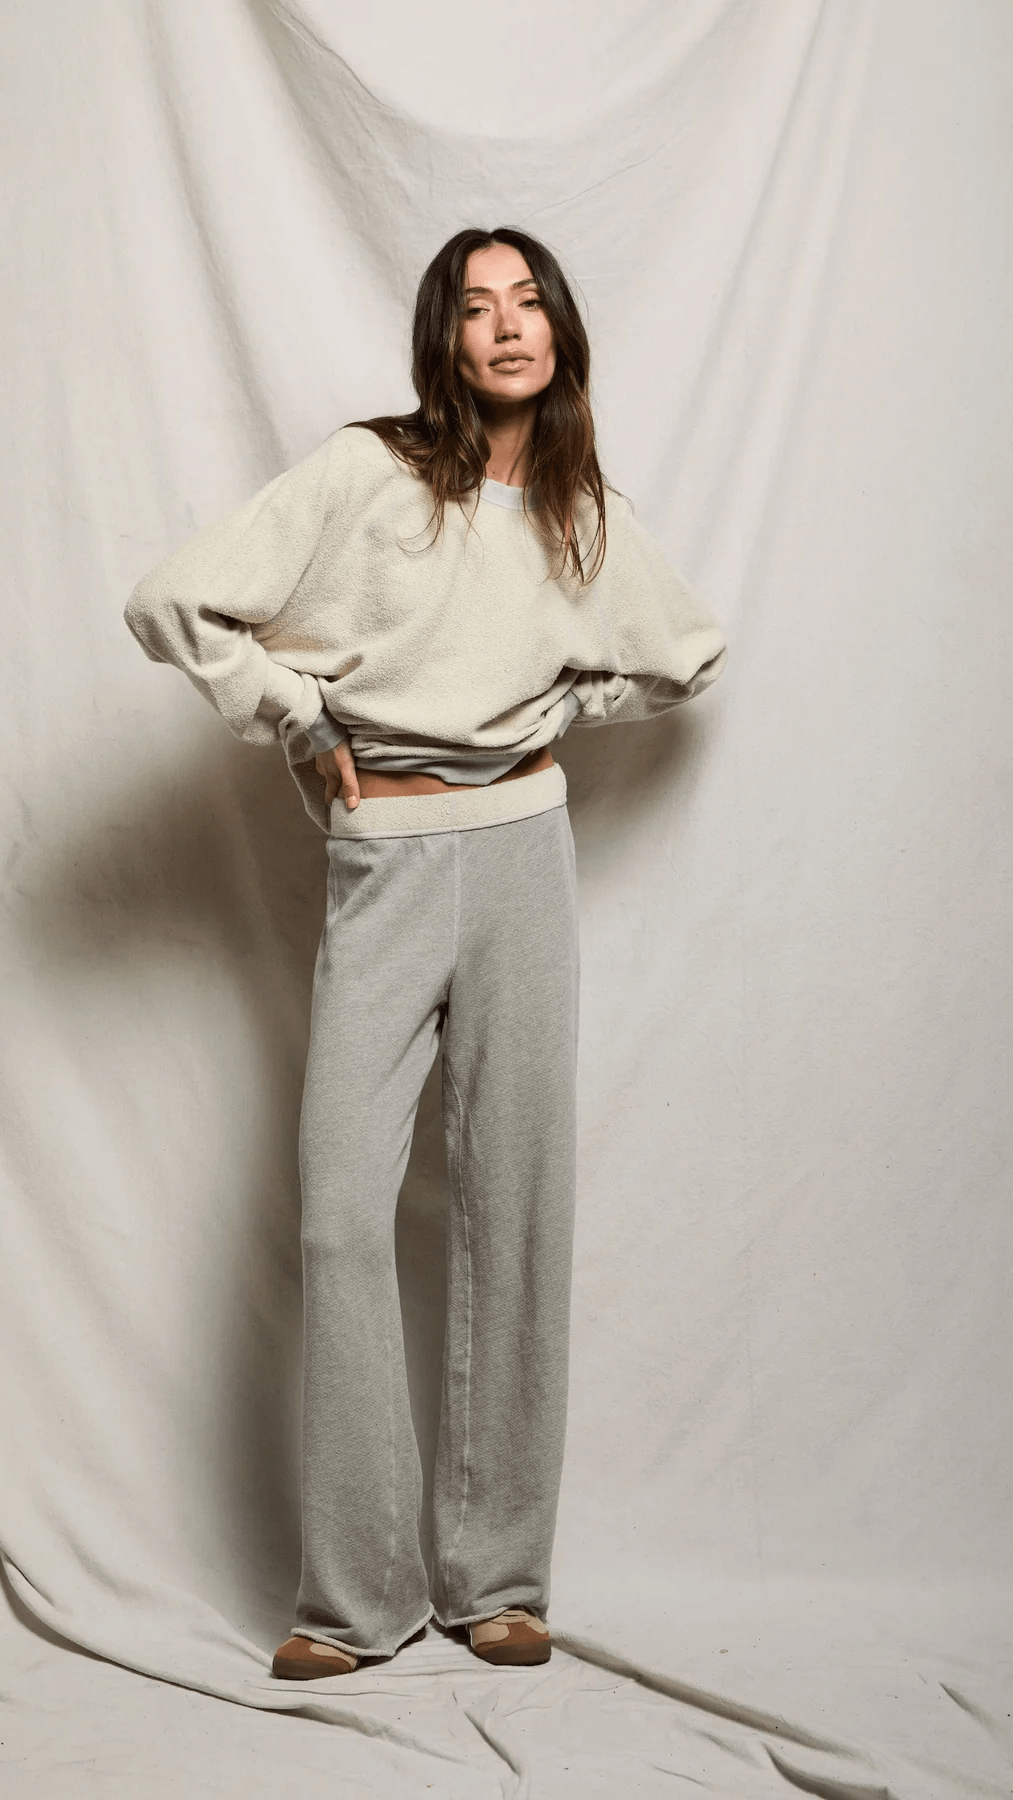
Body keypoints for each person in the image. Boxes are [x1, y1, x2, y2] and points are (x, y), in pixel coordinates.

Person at [125, 226, 726, 1680]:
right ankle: (355, 1599)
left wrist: (562, 707)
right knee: (341, 1215)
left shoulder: (582, 512)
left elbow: (688, 651)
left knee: (516, 1211)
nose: (507, 324)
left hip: (523, 857)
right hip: (384, 860)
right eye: (477, 305)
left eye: (530, 301)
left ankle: (499, 1578)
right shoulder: (366, 474)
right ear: (442, 338)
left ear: (559, 331)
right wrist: (300, 716)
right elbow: (172, 602)